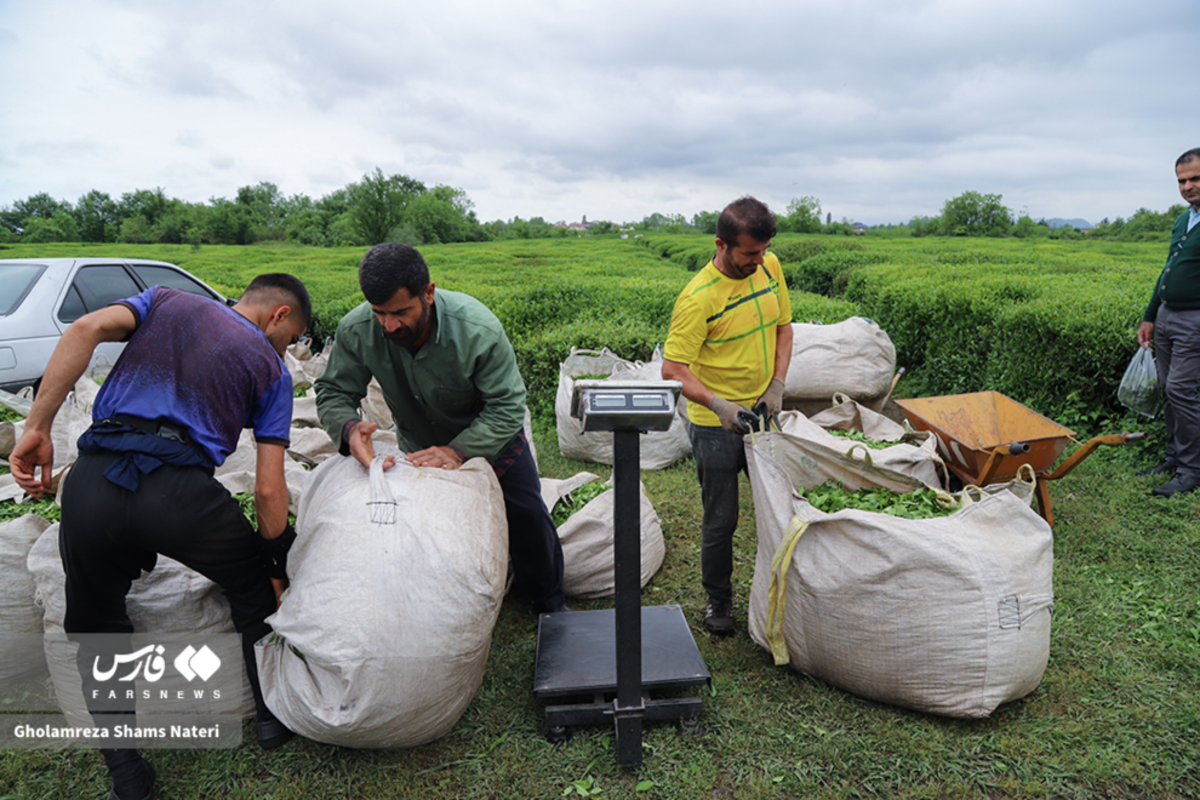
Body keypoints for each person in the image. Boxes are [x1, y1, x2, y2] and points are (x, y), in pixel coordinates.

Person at [10, 273, 311, 800]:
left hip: (93, 483)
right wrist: (275, 559)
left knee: (96, 625)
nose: (281, 351)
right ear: (279, 315)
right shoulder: (271, 371)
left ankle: (126, 774)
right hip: (179, 496)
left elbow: (84, 328)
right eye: (287, 341)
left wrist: (37, 427)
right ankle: (270, 720)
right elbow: (268, 489)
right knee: (250, 588)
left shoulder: (165, 300)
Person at [314, 242, 568, 614]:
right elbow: (333, 390)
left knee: (525, 515)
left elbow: (506, 407)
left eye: (401, 312)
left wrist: (457, 452)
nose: (390, 325)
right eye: (379, 313)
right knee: (430, 529)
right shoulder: (357, 330)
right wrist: (349, 428)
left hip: (491, 440)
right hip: (420, 446)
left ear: (428, 293)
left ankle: (547, 601)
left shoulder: (476, 330)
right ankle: (450, 603)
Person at [662, 196, 793, 635]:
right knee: (721, 519)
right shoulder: (697, 299)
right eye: (749, 253)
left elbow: (784, 328)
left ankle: (784, 591)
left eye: (763, 251)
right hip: (716, 427)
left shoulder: (770, 267)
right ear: (721, 244)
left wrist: (776, 384)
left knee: (780, 508)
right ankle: (718, 600)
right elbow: (673, 370)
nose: (759, 261)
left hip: (762, 414)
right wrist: (717, 404)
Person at [1136, 147, 1200, 497]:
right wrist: (1150, 316)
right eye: (1182, 180)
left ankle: (1192, 469)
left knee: (1181, 390)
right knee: (1169, 389)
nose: (1188, 186)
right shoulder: (1183, 219)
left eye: (1195, 178)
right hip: (1167, 316)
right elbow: (1168, 271)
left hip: (1195, 319)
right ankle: (1173, 458)